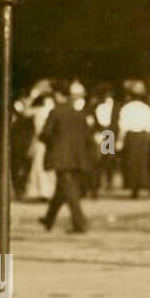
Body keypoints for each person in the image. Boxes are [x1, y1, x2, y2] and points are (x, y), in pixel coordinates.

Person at [39, 80, 92, 233]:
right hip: (77, 157)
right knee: (61, 191)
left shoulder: (55, 112)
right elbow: (87, 136)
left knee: (70, 192)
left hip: (61, 157)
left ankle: (80, 223)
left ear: (58, 95)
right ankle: (48, 219)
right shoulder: (78, 113)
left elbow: (46, 134)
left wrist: (44, 138)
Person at [118, 81, 150, 199]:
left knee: (131, 162)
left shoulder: (126, 108)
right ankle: (142, 185)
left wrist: (120, 141)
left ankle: (134, 187)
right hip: (142, 136)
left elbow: (123, 126)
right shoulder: (146, 108)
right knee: (142, 162)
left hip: (131, 136)